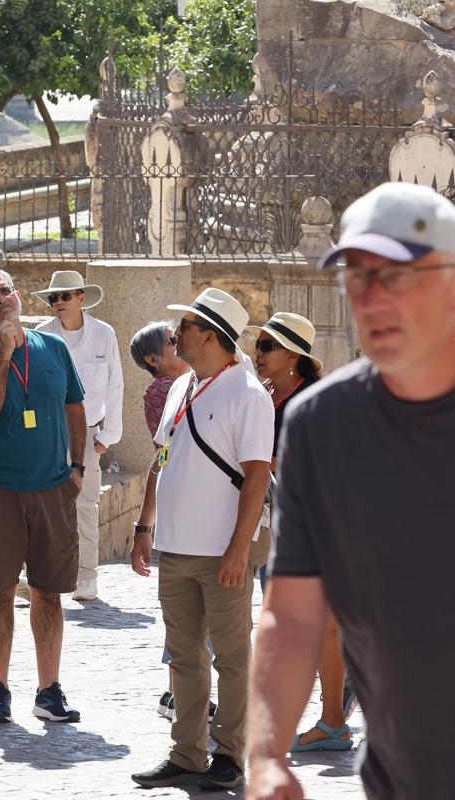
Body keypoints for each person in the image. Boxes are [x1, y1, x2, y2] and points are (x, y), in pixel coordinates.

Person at [247, 182, 455, 799]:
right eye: (357, 276)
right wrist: (265, 755)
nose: (371, 298)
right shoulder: (320, 426)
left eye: (396, 276)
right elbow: (290, 612)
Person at [130, 287, 273, 792]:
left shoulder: (248, 395)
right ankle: (187, 754)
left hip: (223, 550)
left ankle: (230, 755)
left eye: (186, 326)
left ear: (211, 335)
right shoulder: (180, 387)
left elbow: (256, 477)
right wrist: (145, 527)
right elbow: (161, 460)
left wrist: (239, 548)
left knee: (232, 657)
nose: (175, 334)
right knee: (184, 654)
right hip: (175, 546)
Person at [0, 268, 86, 724]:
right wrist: (4, 353)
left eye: (6, 291)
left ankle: (49, 690)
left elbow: (75, 406)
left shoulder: (53, 348)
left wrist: (78, 468)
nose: (2, 300)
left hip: (53, 490)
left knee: (49, 594)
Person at [246, 312, 345, 753]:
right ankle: (330, 713)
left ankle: (331, 720)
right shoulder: (268, 395)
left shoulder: (314, 401)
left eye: (268, 346)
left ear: (294, 357)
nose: (258, 353)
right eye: (259, 344)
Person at [33, 271, 124, 601]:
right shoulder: (41, 334)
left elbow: (116, 384)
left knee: (85, 503)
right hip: (49, 431)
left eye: (64, 296)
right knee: (44, 503)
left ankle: (87, 575)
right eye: (53, 298)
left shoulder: (104, 334)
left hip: (87, 430)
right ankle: (44, 572)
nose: (58, 303)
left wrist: (109, 434)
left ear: (81, 298)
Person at [127, 319, 191, 720]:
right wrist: (145, 526)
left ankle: (177, 690)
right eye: (173, 340)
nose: (179, 341)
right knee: (185, 608)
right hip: (183, 510)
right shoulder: (162, 393)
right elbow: (164, 456)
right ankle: (176, 690)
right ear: (153, 358)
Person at [129, 321, 190, 437]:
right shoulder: (163, 389)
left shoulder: (183, 382)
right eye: (174, 341)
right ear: (153, 359)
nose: (183, 343)